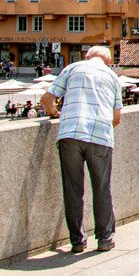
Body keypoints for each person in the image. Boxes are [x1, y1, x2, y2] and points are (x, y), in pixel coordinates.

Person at [41, 45, 123, 253]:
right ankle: (104, 239)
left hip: (70, 133)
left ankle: (77, 241)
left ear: (88, 57)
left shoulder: (73, 68)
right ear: (107, 60)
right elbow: (116, 117)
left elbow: (47, 99)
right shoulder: (112, 77)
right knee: (102, 188)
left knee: (73, 189)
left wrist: (55, 113)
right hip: (100, 136)